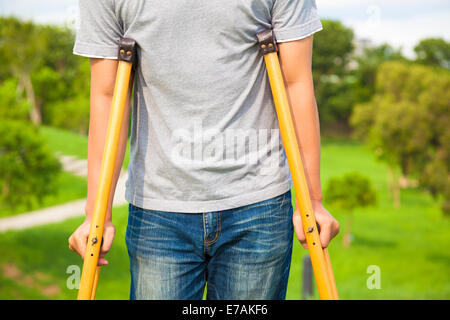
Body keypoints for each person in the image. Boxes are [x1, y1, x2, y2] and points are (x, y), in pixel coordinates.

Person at [68, 0, 339, 300]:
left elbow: (296, 82)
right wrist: (97, 214)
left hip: (259, 203)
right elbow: (107, 96)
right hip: (159, 208)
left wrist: (311, 201)